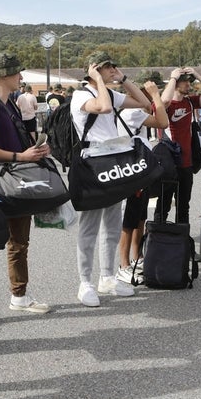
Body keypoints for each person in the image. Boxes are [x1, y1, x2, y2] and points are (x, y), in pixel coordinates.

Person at [0, 53, 51, 331]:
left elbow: (19, 144)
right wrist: (20, 156)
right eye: (16, 73)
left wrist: (35, 149)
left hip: (15, 181)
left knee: (19, 243)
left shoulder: (11, 105)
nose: (21, 77)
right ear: (2, 75)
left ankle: (19, 295)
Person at [71, 51, 153, 307]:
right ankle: (85, 281)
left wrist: (124, 79)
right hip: (94, 162)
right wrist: (96, 78)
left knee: (113, 222)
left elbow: (143, 103)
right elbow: (104, 107)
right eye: (107, 67)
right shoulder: (81, 95)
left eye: (112, 67)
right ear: (94, 69)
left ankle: (107, 276)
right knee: (90, 226)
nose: (111, 71)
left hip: (115, 160)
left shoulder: (110, 91)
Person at [116, 73, 169, 284]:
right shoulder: (132, 113)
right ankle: (124, 264)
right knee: (129, 219)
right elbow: (163, 122)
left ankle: (137, 257)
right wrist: (155, 97)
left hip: (139, 168)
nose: (160, 93)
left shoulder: (134, 111)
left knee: (139, 216)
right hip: (132, 169)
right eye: (156, 89)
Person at [156, 66, 201, 226]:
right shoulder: (163, 105)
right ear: (176, 83)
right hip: (168, 165)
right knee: (163, 206)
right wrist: (172, 77)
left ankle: (182, 245)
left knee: (183, 207)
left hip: (186, 164)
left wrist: (198, 75)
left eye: (189, 81)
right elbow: (164, 100)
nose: (188, 85)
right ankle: (157, 244)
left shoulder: (190, 102)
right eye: (185, 81)